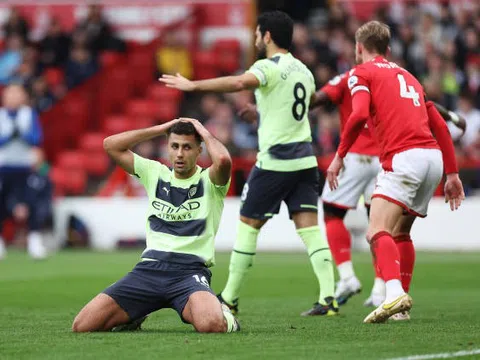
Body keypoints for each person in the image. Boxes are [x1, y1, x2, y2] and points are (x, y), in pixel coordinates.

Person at [160, 10, 337, 317]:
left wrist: (194, 86)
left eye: (257, 33)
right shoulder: (304, 71)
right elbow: (299, 108)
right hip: (306, 160)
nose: (255, 38)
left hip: (276, 162)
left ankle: (229, 297)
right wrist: (261, 113)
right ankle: (329, 297)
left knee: (248, 225)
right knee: (310, 229)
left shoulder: (266, 66)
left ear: (267, 35)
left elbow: (240, 82)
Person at [326, 21, 465, 323]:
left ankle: (392, 294)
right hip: (432, 158)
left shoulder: (361, 73)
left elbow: (359, 113)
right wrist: (452, 174)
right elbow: (439, 125)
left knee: (377, 230)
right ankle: (400, 308)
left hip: (405, 157)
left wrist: (339, 156)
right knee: (402, 232)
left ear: (358, 48)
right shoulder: (410, 76)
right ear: (388, 50)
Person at [72, 118, 240, 333]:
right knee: (83, 326)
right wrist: (161, 129)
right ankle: (134, 316)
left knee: (211, 325)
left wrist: (203, 132)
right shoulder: (155, 173)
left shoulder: (210, 181)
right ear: (167, 148)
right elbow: (110, 145)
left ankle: (225, 314)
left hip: (188, 273)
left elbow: (224, 159)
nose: (180, 154)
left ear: (200, 150)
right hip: (148, 270)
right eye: (174, 146)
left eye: (187, 147)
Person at [0, 84, 47, 260]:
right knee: (1, 204)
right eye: (9, 94)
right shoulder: (1, 115)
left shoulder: (29, 114)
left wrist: (22, 135)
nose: (13, 97)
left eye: (17, 93)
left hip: (24, 166)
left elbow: (36, 138)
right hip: (3, 167)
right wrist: (7, 137)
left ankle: (34, 242)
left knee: (32, 203)